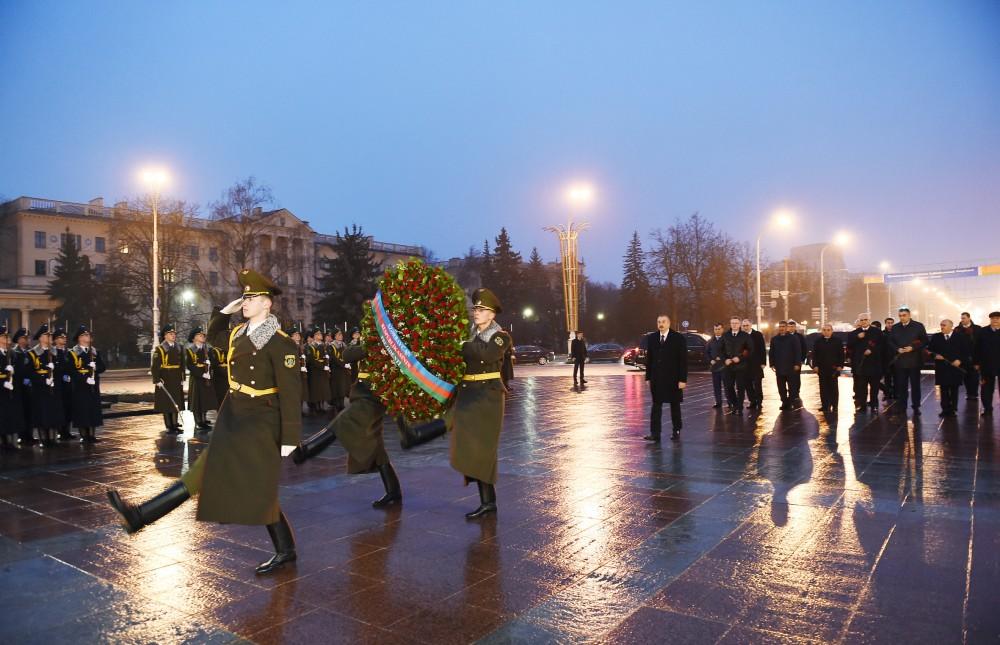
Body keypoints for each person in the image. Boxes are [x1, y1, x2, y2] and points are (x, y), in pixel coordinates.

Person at [107, 268, 303, 575]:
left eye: (251, 298)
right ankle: (139, 516)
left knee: (253, 486)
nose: (245, 302)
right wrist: (224, 312)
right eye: (244, 297)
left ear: (267, 303)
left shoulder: (281, 343)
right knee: (205, 474)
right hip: (233, 415)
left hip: (260, 420)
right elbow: (214, 337)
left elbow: (291, 392)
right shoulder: (238, 334)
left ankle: (140, 516)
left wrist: (289, 437)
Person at [450, 288, 512, 519]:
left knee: (483, 448)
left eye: (481, 309)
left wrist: (461, 344)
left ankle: (488, 503)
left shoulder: (500, 336)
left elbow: (487, 355)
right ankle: (487, 501)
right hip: (469, 395)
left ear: (492, 314)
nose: (476, 312)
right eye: (475, 308)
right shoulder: (471, 336)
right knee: (472, 447)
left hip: (488, 397)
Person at [643, 314, 688, 442]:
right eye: (658, 322)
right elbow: (649, 359)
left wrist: (683, 379)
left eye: (663, 322)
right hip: (656, 378)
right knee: (656, 406)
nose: (660, 324)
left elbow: (683, 360)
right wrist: (648, 377)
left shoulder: (678, 338)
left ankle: (676, 430)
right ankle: (655, 433)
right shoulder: (652, 338)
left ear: (668, 323)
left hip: (673, 378)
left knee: (675, 405)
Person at [27, 324, 65, 447]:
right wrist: (43, 380)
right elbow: (30, 372)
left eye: (50, 335)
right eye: (46, 335)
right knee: (42, 415)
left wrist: (56, 369)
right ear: (40, 337)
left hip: (54, 388)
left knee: (54, 414)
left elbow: (64, 369)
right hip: (40, 389)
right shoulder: (32, 353)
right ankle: (43, 439)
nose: (49, 337)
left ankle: (53, 439)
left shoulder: (57, 352)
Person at [887, 308, 928, 415]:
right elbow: (890, 341)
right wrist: (897, 349)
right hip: (900, 361)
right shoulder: (895, 327)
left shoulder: (918, 326)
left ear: (909, 315)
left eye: (904, 315)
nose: (902, 317)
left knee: (915, 385)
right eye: (900, 316)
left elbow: (924, 340)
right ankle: (902, 406)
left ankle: (916, 406)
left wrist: (913, 348)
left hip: (914, 361)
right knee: (901, 385)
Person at [68, 325, 106, 443]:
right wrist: (84, 379)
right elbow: (71, 370)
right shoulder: (73, 353)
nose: (88, 337)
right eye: (85, 335)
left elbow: (103, 367)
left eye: (88, 335)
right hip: (80, 386)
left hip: (93, 385)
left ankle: (92, 435)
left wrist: (96, 367)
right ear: (79, 338)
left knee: (92, 410)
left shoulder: (94, 351)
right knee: (82, 410)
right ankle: (84, 436)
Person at [928, 319, 972, 417]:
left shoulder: (960, 337)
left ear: (951, 326)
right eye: (941, 325)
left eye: (944, 325)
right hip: (941, 368)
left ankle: (953, 409)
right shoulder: (936, 337)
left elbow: (967, 351)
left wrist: (960, 360)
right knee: (943, 389)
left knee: (954, 389)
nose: (942, 327)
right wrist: (934, 356)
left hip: (955, 368)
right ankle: (945, 409)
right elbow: (930, 350)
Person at [152, 323, 185, 433]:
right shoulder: (160, 349)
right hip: (165, 378)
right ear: (165, 336)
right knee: (166, 402)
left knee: (176, 401)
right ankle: (169, 425)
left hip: (176, 378)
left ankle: (175, 423)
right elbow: (155, 366)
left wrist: (182, 378)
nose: (173, 335)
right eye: (170, 334)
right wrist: (157, 380)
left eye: (174, 333)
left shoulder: (179, 347)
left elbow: (182, 364)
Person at [847, 313, 883, 414]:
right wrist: (857, 337)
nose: (863, 322)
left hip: (874, 364)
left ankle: (874, 405)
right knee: (862, 387)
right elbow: (850, 346)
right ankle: (862, 406)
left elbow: (882, 345)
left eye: (865, 319)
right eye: (861, 320)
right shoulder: (854, 333)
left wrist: (872, 350)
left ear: (869, 320)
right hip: (861, 365)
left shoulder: (877, 331)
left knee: (874, 387)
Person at [186, 326, 218, 430]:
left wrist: (210, 363)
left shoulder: (207, 350)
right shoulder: (190, 350)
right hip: (197, 378)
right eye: (200, 335)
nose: (203, 336)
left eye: (203, 335)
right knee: (197, 401)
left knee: (205, 400)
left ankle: (203, 420)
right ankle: (198, 421)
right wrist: (201, 374)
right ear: (194, 338)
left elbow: (215, 362)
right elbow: (190, 365)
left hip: (207, 378)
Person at [0, 326, 26, 451]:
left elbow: (21, 373)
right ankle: (2, 442)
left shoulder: (14, 354)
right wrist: (3, 382)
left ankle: (11, 442)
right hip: (1, 391)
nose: (8, 338)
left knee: (12, 417)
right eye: (4, 336)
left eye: (8, 336)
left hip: (13, 390)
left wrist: (14, 373)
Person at [810, 323, 844, 414]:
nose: (826, 332)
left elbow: (841, 354)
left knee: (834, 388)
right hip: (822, 368)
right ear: (822, 331)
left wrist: (840, 365)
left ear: (832, 331)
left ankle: (835, 406)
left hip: (834, 369)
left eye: (828, 330)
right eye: (824, 330)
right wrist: (815, 365)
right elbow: (814, 355)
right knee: (823, 388)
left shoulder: (837, 341)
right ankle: (825, 405)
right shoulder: (818, 341)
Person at [769, 321, 803, 411]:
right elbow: (771, 352)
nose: (781, 328)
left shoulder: (793, 338)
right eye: (780, 326)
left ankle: (791, 402)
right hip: (779, 367)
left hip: (791, 367)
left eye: (783, 326)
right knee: (781, 387)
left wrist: (797, 364)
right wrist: (772, 364)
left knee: (792, 387)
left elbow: (797, 351)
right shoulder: (774, 339)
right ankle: (784, 402)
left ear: (787, 327)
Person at [721, 317, 751, 416]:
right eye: (732, 323)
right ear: (730, 324)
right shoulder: (725, 335)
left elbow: (749, 350)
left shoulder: (745, 336)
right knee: (729, 386)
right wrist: (725, 359)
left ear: (739, 324)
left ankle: (739, 407)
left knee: (740, 387)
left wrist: (740, 358)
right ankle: (735, 404)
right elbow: (721, 350)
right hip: (728, 366)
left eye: (736, 323)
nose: (734, 325)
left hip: (741, 366)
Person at [11, 328, 34, 446]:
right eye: (24, 338)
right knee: (21, 411)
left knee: (30, 411)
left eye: (28, 337)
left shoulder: (31, 352)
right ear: (18, 339)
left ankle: (30, 435)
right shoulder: (14, 352)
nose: (27, 340)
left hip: (30, 386)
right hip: (19, 387)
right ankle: (22, 435)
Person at [975, 311, 1000, 416]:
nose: (995, 320)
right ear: (990, 319)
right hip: (986, 364)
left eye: (997, 318)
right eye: (993, 318)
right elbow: (976, 347)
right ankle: (987, 408)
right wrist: (976, 362)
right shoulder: (983, 331)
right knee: (986, 388)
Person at [52, 328, 75, 441]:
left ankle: (67, 431)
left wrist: (70, 375)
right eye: (61, 337)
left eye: (65, 337)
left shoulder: (69, 352)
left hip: (68, 385)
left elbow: (73, 366)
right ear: (55, 340)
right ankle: (60, 431)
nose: (64, 339)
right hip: (57, 384)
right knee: (59, 408)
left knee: (68, 408)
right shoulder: (52, 353)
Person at [741, 319, 766, 410]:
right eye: (744, 326)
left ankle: (759, 402)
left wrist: (763, 362)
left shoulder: (758, 335)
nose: (745, 327)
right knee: (747, 384)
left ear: (751, 325)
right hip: (744, 364)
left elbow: (762, 348)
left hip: (756, 364)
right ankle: (752, 401)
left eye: (747, 325)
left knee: (757, 384)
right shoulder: (740, 336)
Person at [305, 328, 331, 415]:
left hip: (323, 371)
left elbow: (326, 356)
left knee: (323, 389)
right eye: (318, 334)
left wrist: (327, 365)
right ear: (314, 336)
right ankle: (316, 406)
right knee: (316, 390)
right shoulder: (310, 346)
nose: (320, 335)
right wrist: (323, 367)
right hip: (315, 371)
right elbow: (311, 359)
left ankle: (322, 405)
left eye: (320, 333)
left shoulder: (324, 345)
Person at [957, 312, 980, 401]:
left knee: (975, 377)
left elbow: (981, 343)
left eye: (964, 318)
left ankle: (974, 394)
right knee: (966, 377)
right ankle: (968, 393)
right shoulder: (957, 329)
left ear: (969, 318)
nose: (962, 320)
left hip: (975, 357)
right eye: (961, 318)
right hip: (963, 358)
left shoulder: (977, 328)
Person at [327, 327, 350, 416]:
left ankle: (342, 403)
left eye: (341, 334)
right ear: (335, 336)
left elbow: (347, 355)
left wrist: (348, 362)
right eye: (338, 334)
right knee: (336, 387)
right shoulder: (331, 346)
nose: (341, 336)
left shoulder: (344, 345)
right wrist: (343, 364)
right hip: (336, 370)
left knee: (343, 387)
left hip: (343, 370)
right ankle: (337, 404)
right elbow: (333, 358)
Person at [706, 323, 725, 408]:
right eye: (715, 329)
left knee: (727, 386)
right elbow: (707, 352)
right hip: (715, 367)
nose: (717, 331)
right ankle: (718, 402)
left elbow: (730, 351)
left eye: (719, 329)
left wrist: (721, 357)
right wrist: (711, 360)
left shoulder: (726, 339)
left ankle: (730, 402)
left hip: (725, 367)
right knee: (716, 386)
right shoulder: (710, 341)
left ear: (722, 329)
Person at [881, 317, 896, 401]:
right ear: (885, 324)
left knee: (897, 377)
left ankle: (896, 393)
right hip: (886, 359)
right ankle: (887, 393)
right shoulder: (882, 334)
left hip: (896, 359)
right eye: (888, 323)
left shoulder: (897, 333)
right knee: (887, 378)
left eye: (891, 323)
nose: (890, 324)